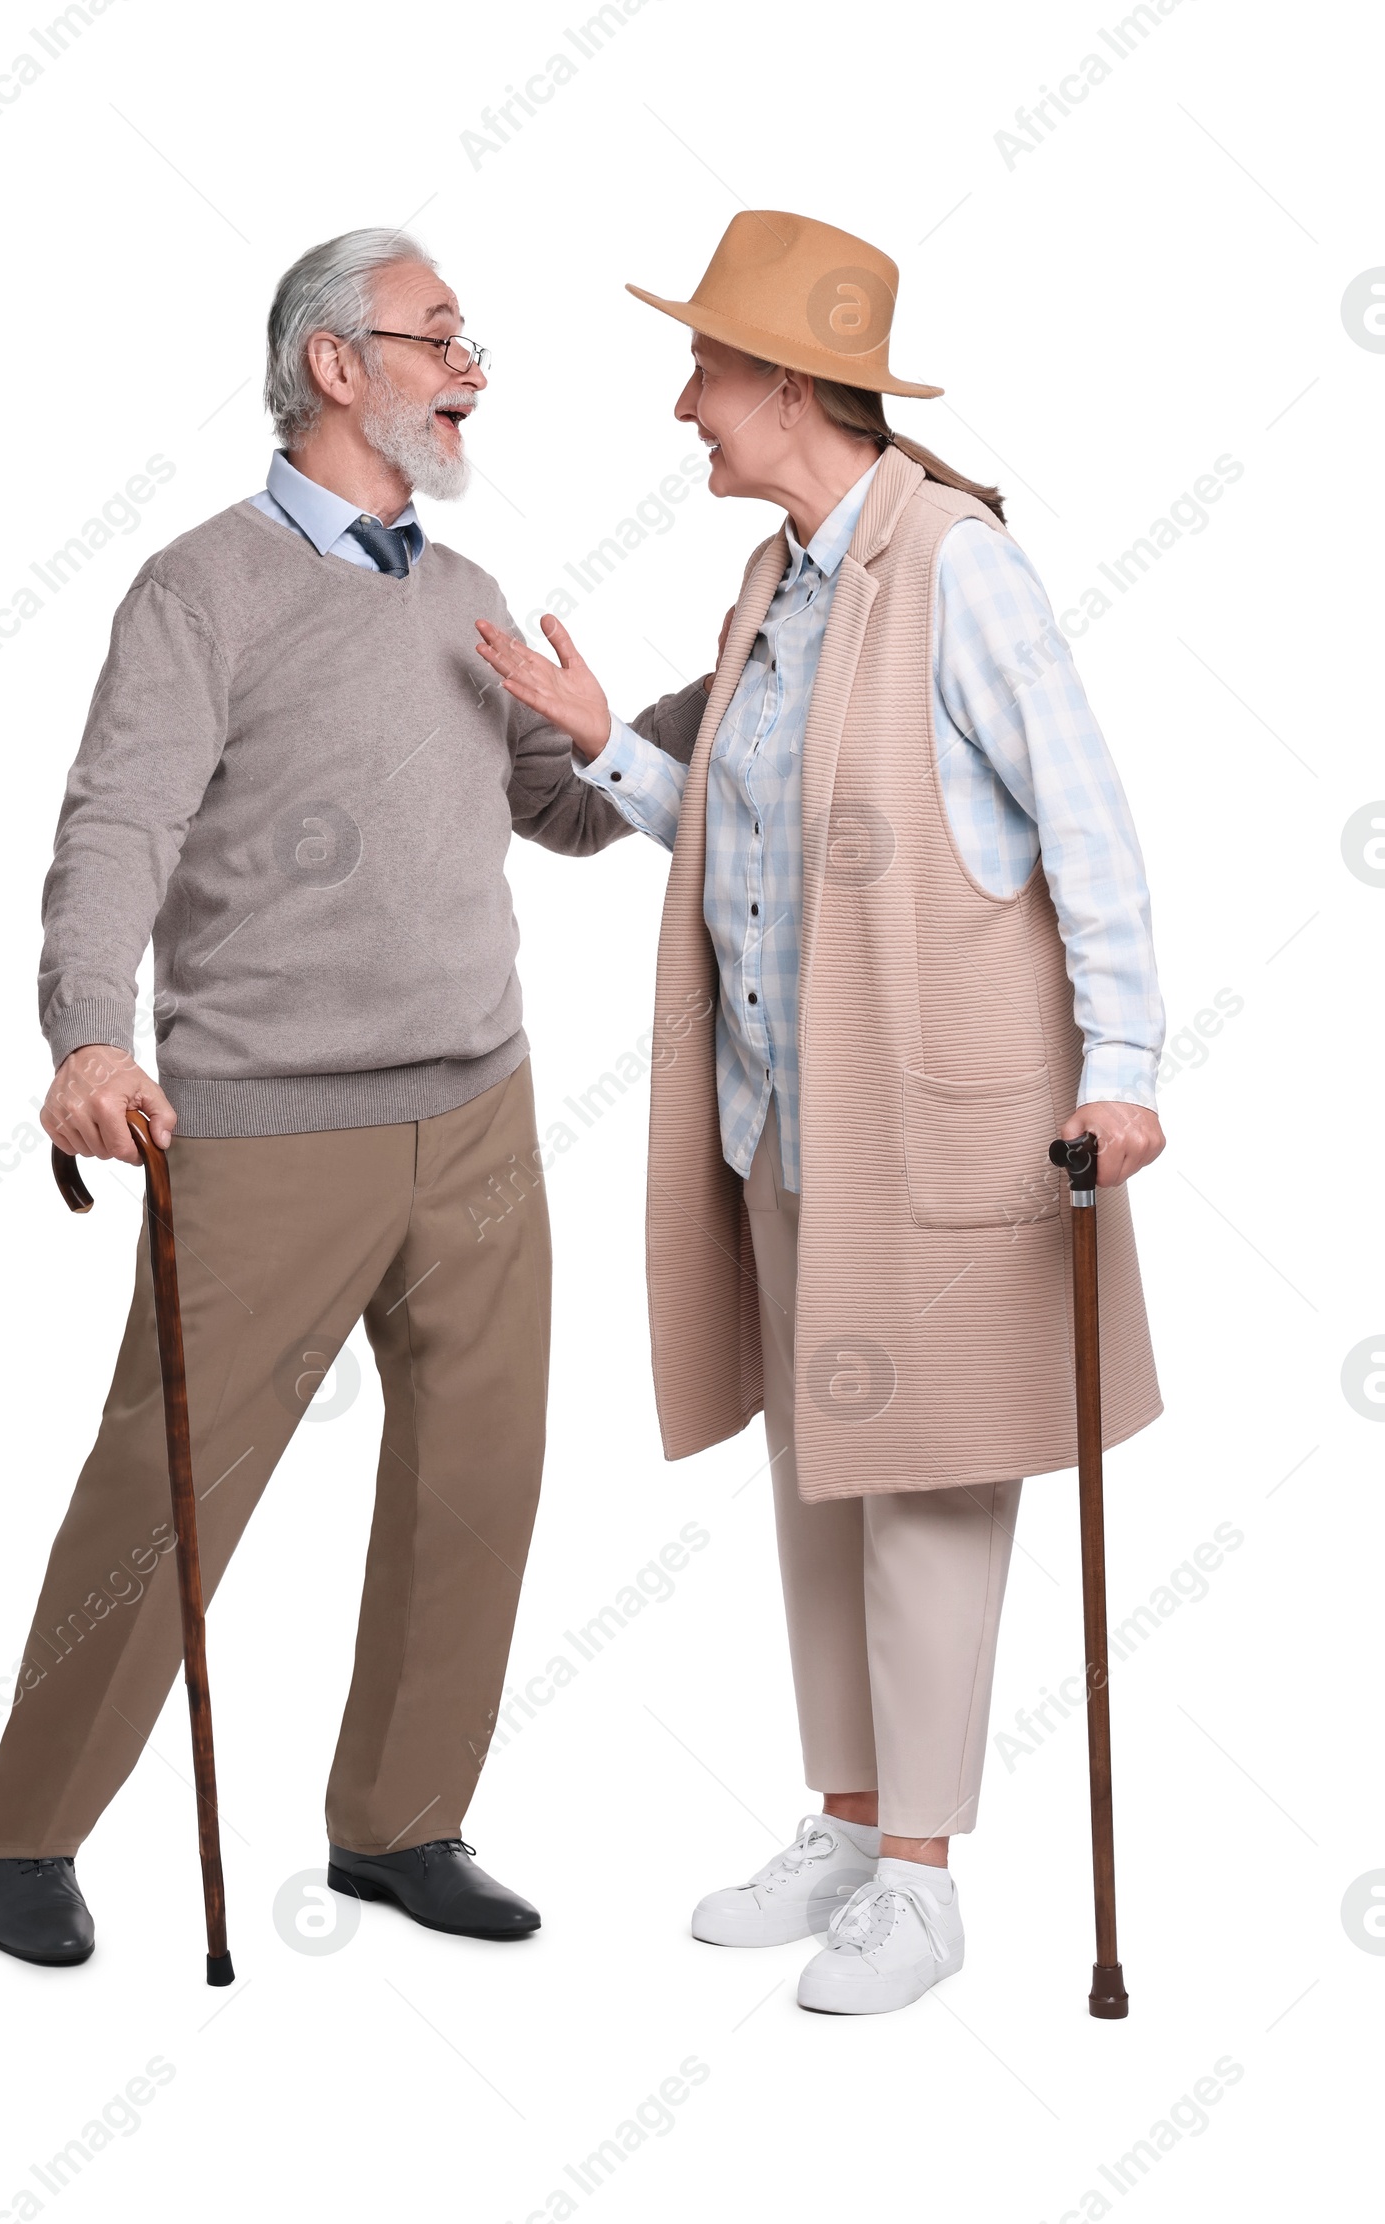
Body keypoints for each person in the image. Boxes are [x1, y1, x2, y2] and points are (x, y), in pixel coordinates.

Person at [0, 227, 709, 1966]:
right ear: (335, 364)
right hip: (261, 1128)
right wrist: (89, 1034)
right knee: (164, 1493)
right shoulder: (198, 589)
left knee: (478, 1477)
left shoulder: (460, 590)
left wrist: (685, 702)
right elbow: (117, 827)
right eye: (441, 334)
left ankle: (399, 1824)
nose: (469, 363)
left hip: (478, 1116)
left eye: (465, 339)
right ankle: (27, 1835)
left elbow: (569, 807)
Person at [474, 210, 1165, 2014]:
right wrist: (593, 735)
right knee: (814, 1474)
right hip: (784, 1122)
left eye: (706, 368)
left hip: (947, 1126)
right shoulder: (779, 578)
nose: (684, 403)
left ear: (788, 384)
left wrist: (1127, 1078)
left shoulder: (957, 568)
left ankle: (925, 1881)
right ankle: (851, 1825)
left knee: (929, 1476)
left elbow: (1087, 826)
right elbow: (736, 812)